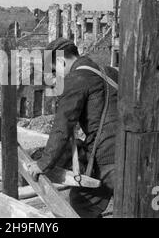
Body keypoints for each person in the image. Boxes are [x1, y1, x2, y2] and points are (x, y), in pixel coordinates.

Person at [27, 37, 119, 217]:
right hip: (128, 146)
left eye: (54, 70)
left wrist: (43, 164)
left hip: (108, 155)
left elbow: (63, 125)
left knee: (85, 204)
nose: (56, 77)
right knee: (83, 200)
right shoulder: (108, 72)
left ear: (61, 61)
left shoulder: (76, 78)